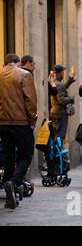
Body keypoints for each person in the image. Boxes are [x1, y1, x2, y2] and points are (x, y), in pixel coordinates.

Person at [0, 54, 37, 209]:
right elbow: (30, 100)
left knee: (8, 156)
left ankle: (11, 196)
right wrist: (32, 119)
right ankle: (13, 183)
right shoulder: (24, 75)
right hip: (21, 122)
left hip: (2, 123)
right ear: (17, 63)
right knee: (26, 155)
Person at [48, 65, 76, 144]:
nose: (63, 73)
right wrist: (71, 99)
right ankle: (58, 153)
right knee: (60, 134)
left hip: (55, 111)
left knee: (57, 134)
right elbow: (61, 100)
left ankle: (56, 152)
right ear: (60, 73)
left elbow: (61, 90)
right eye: (63, 72)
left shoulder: (54, 83)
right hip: (60, 112)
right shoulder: (58, 84)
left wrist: (70, 81)